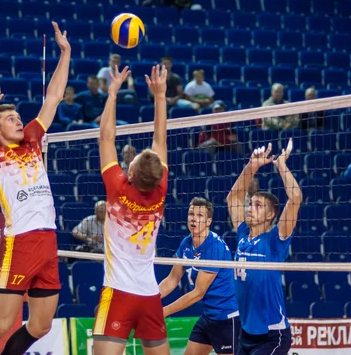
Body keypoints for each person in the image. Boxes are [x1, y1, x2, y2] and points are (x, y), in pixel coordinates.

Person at [0, 22, 70, 355]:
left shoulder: (34, 140)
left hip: (48, 239)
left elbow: (52, 98)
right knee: (2, 324)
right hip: (20, 241)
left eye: (19, 117)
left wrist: (65, 52)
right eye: (11, 119)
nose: (19, 121)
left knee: (41, 325)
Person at [93, 64, 169, 355]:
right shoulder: (160, 191)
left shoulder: (117, 189)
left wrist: (112, 93)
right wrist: (160, 97)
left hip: (118, 293)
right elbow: (160, 140)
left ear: (132, 172)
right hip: (150, 295)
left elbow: (106, 138)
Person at [226, 142, 302, 355]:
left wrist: (281, 166)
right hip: (247, 331)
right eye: (250, 204)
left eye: (258, 206)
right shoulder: (242, 234)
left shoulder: (275, 239)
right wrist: (252, 166)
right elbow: (234, 198)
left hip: (273, 335)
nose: (250, 208)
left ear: (270, 215)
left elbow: (295, 198)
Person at [159, 197, 240, 355]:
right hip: (208, 317)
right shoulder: (186, 243)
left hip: (226, 318)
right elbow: (172, 279)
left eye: (200, 215)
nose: (194, 219)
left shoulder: (214, 247)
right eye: (191, 214)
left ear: (209, 221)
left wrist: (164, 311)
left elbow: (198, 292)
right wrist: (151, 300)